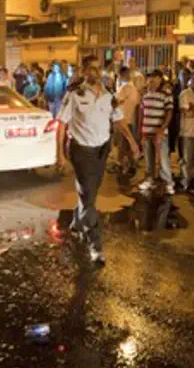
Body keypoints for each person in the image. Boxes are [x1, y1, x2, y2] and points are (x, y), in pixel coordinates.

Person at [56, 66, 139, 265]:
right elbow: (61, 124)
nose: (95, 73)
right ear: (85, 73)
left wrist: (133, 142)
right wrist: (60, 154)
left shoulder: (109, 96)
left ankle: (77, 223)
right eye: (90, 69)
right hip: (81, 150)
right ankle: (95, 244)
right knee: (88, 196)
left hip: (102, 150)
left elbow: (118, 121)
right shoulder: (75, 95)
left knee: (90, 192)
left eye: (98, 69)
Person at [139, 71, 175, 194]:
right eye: (150, 79)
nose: (152, 81)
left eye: (155, 79)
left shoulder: (166, 93)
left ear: (160, 80)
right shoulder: (144, 93)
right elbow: (142, 112)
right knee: (149, 158)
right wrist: (141, 130)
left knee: (163, 159)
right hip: (146, 131)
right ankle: (149, 179)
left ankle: (168, 182)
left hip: (160, 132)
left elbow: (169, 113)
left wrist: (162, 128)